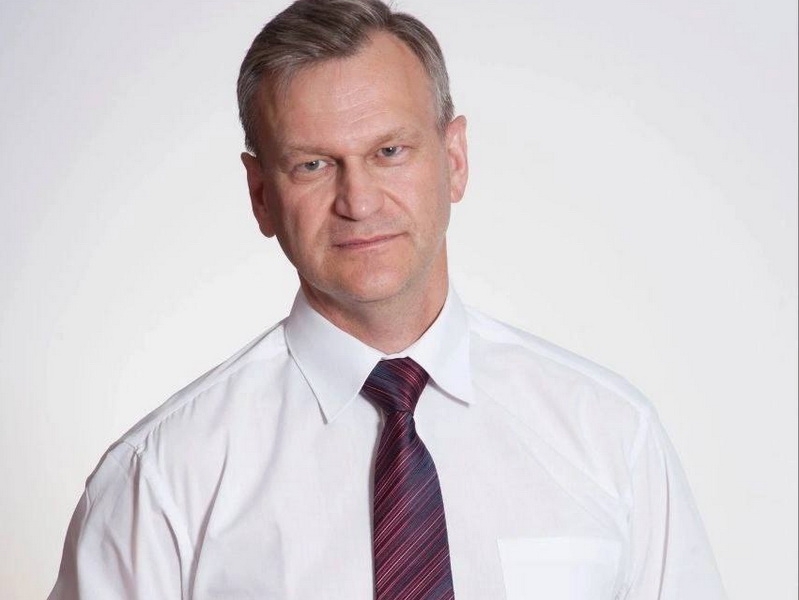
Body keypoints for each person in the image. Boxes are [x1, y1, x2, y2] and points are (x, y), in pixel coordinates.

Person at [49, 0, 727, 598]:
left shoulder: (610, 435)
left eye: (390, 151)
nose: (359, 200)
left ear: (454, 160)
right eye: (313, 164)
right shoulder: (162, 478)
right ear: (261, 195)